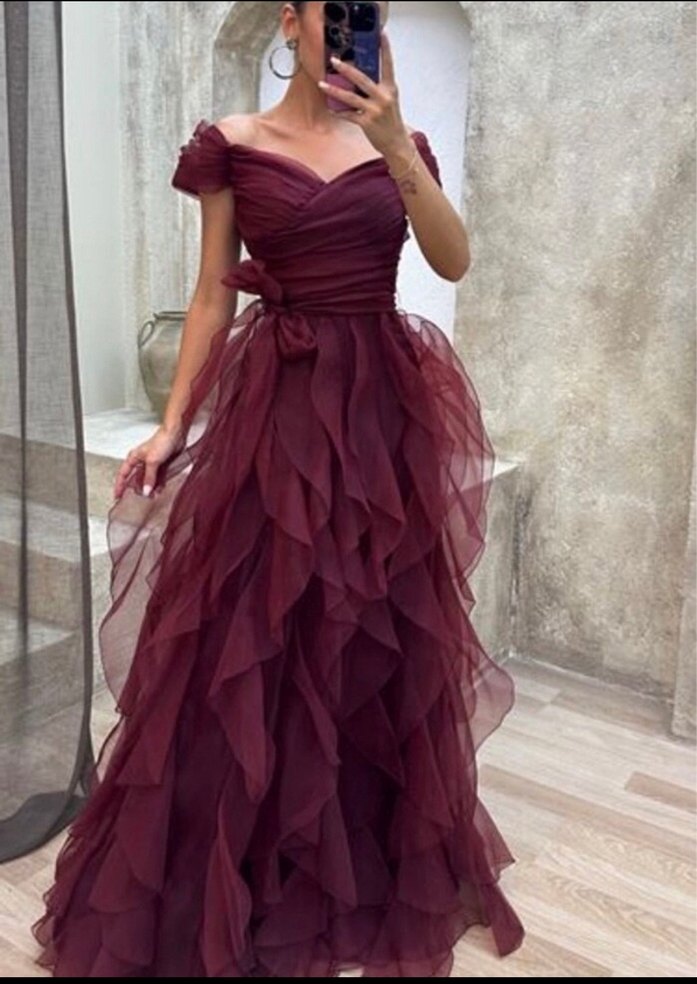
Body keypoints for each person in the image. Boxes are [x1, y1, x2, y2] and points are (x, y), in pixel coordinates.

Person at [31, 1, 525, 976]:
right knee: (254, 629)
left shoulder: (397, 141)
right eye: (330, 10)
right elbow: (211, 293)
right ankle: (240, 869)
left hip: (380, 414)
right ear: (290, 24)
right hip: (278, 410)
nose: (348, 28)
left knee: (369, 630)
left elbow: (452, 259)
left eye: (364, 12)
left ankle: (354, 861)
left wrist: (395, 141)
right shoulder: (232, 144)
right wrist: (172, 425)